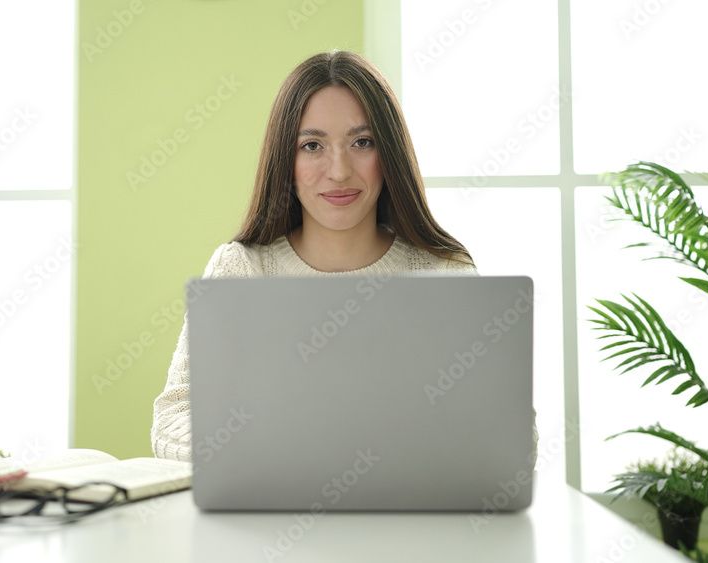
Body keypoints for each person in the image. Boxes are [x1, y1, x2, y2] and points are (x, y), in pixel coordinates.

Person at [151, 50, 477, 462]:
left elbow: (513, 435)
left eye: (362, 142)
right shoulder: (242, 269)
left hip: (405, 518)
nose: (339, 170)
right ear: (285, 160)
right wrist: (290, 454)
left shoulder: (444, 272)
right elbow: (173, 417)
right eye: (312, 145)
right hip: (270, 516)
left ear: (388, 153)